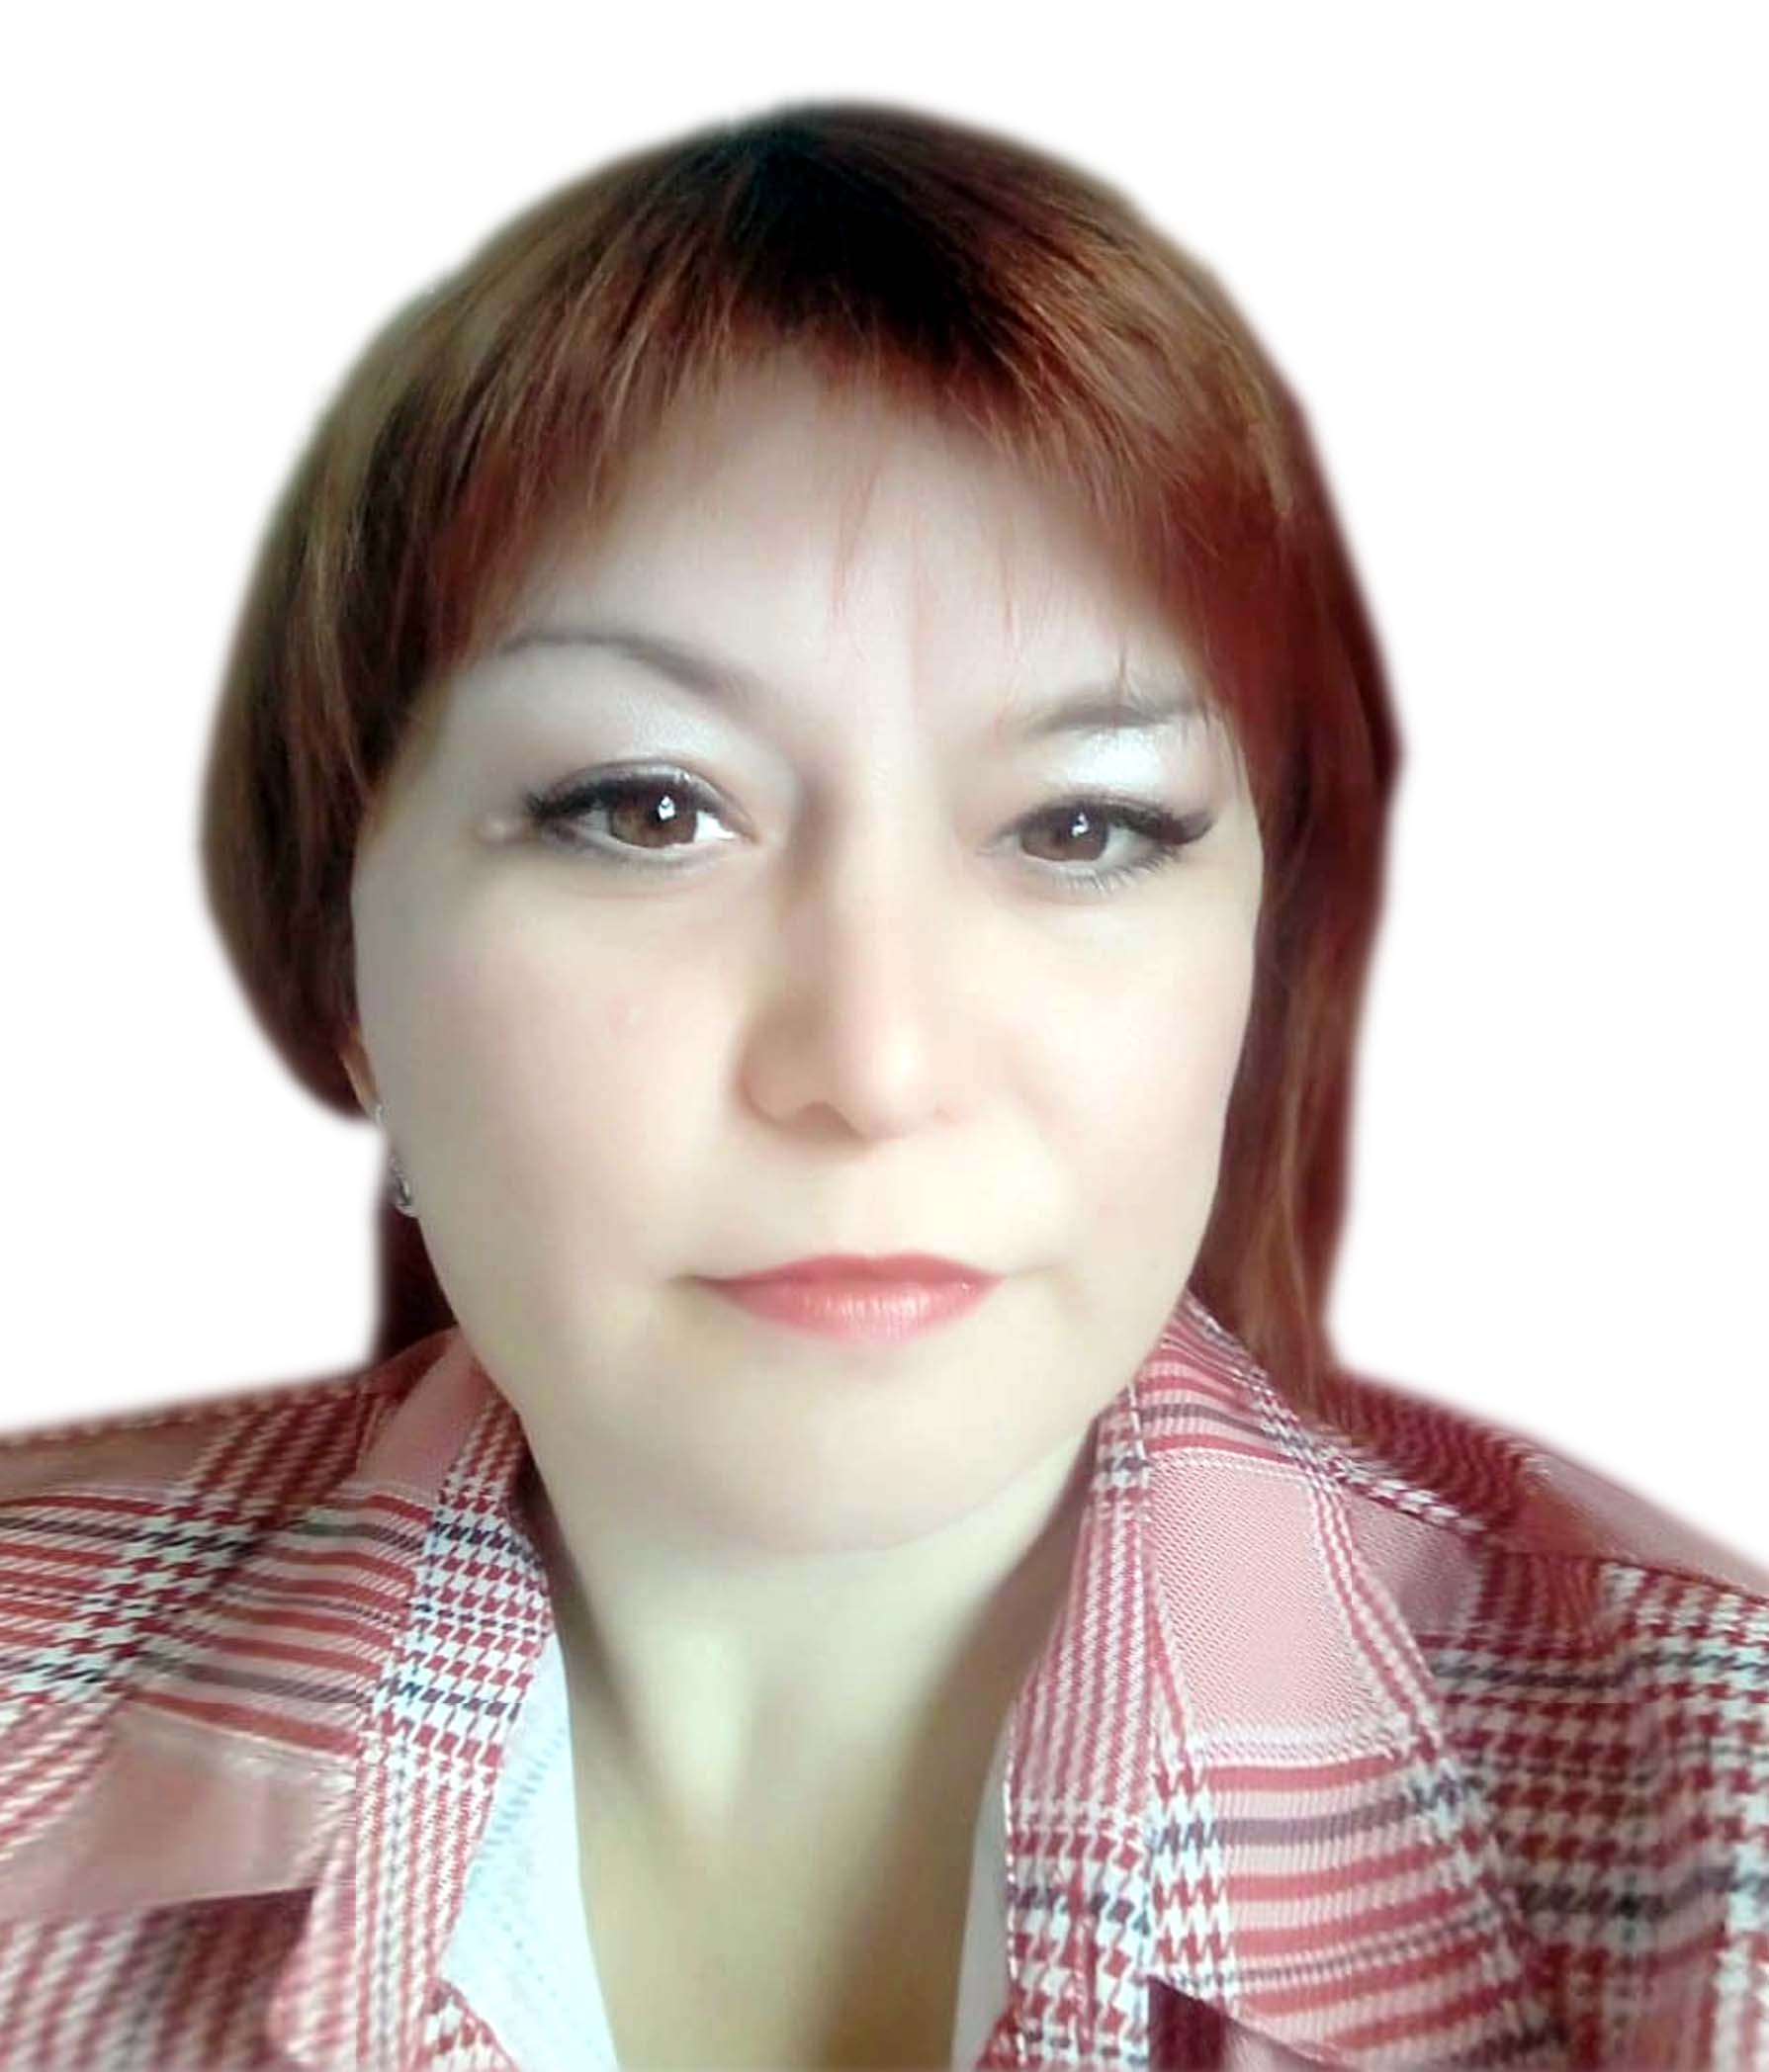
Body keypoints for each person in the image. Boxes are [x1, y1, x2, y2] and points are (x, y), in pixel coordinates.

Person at [1, 98, 1764, 2072]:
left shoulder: (1721, 1834)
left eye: (1083, 827)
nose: (875, 1063)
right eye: (643, 808)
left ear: (1261, 960)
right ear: (347, 969)